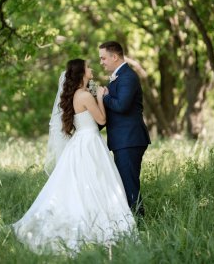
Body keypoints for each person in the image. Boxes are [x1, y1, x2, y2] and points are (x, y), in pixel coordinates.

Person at [12, 59, 136, 255]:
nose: (92, 68)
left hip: (81, 141)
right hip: (89, 142)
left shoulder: (77, 94)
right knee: (96, 181)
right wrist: (101, 98)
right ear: (81, 73)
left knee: (84, 182)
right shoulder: (85, 95)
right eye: (88, 67)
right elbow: (101, 119)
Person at [99, 42, 151, 217]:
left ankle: (139, 223)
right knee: (125, 183)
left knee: (129, 185)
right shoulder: (117, 77)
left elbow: (121, 106)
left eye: (103, 58)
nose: (101, 62)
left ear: (115, 57)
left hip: (129, 139)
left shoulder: (127, 77)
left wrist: (104, 96)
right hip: (123, 140)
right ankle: (131, 222)